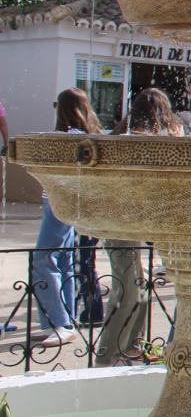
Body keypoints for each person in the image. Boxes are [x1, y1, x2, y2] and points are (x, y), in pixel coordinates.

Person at [97, 88, 178, 365]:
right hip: (118, 224)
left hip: (125, 223)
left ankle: (132, 346)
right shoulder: (134, 139)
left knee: (139, 287)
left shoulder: (129, 137)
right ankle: (107, 358)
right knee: (127, 290)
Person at [30, 88, 103, 347]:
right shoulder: (87, 137)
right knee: (63, 259)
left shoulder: (66, 138)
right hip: (70, 203)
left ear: (62, 110)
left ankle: (59, 323)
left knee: (43, 258)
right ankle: (64, 321)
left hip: (59, 201)